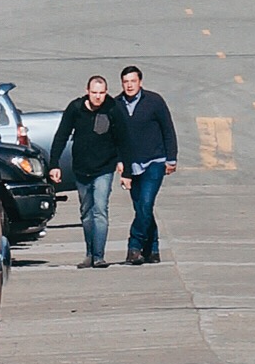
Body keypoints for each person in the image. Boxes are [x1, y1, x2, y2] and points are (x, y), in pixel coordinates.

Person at [48, 71, 125, 267]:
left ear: (106, 92)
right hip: (81, 169)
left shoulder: (113, 108)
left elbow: (123, 138)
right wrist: (54, 164)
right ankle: (90, 253)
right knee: (86, 212)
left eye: (101, 93)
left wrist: (123, 163)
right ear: (87, 92)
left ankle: (99, 256)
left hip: (104, 168)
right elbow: (61, 136)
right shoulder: (75, 108)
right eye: (94, 92)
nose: (98, 96)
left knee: (100, 210)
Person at [116, 63, 178, 266]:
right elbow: (114, 138)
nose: (129, 85)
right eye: (126, 82)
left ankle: (134, 247)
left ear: (140, 82)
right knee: (142, 208)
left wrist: (171, 158)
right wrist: (118, 162)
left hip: (155, 161)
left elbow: (168, 129)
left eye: (133, 81)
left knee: (146, 203)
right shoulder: (116, 104)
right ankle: (153, 249)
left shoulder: (154, 101)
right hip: (131, 166)